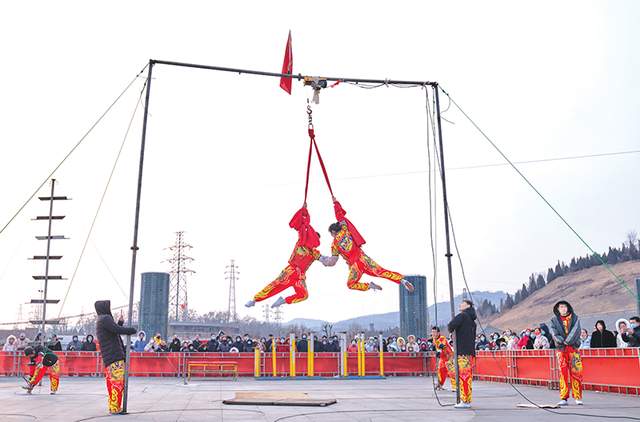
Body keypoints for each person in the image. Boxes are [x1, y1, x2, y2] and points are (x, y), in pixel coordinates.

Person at [246, 218, 330, 309]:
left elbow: (323, 259)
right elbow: (300, 230)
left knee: (304, 295)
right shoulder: (300, 243)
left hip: (300, 277)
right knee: (274, 286)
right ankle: (254, 300)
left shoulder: (314, 252)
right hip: (290, 272)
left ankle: (283, 301)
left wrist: (330, 259)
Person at [322, 221, 414, 293]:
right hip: (364, 259)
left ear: (333, 232)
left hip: (355, 266)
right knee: (381, 272)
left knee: (351, 284)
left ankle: (369, 286)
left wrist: (324, 261)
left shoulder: (334, 245)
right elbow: (343, 221)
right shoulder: (345, 230)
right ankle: (402, 280)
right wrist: (337, 208)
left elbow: (333, 260)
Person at [94, 300, 137, 415]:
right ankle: (115, 408)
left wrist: (120, 323)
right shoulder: (105, 318)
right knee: (117, 382)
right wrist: (131, 330)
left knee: (112, 382)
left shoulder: (100, 320)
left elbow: (113, 331)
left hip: (109, 357)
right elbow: (117, 330)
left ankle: (113, 406)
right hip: (114, 356)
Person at [549, 300, 583, 406]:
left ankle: (578, 396)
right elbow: (554, 333)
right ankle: (564, 398)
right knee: (563, 374)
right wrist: (562, 341)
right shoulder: (554, 320)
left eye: (564, 306)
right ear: (558, 309)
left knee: (576, 373)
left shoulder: (575, 318)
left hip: (573, 349)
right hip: (561, 350)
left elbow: (576, 331)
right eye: (561, 307)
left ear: (568, 308)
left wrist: (568, 341)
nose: (563, 308)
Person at [447, 299, 477, 408]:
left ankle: (465, 401)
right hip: (469, 352)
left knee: (464, 376)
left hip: (462, 352)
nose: (460, 305)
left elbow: (450, 326)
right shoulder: (472, 321)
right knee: (466, 376)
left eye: (463, 303)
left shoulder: (463, 316)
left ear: (468, 305)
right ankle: (466, 399)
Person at [431, 326, 455, 392]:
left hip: (449, 356)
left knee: (451, 371)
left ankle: (455, 386)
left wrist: (439, 350)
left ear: (438, 333)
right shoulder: (434, 339)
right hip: (442, 357)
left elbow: (442, 346)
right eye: (432, 332)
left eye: (434, 332)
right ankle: (440, 385)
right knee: (441, 371)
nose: (433, 334)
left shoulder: (442, 338)